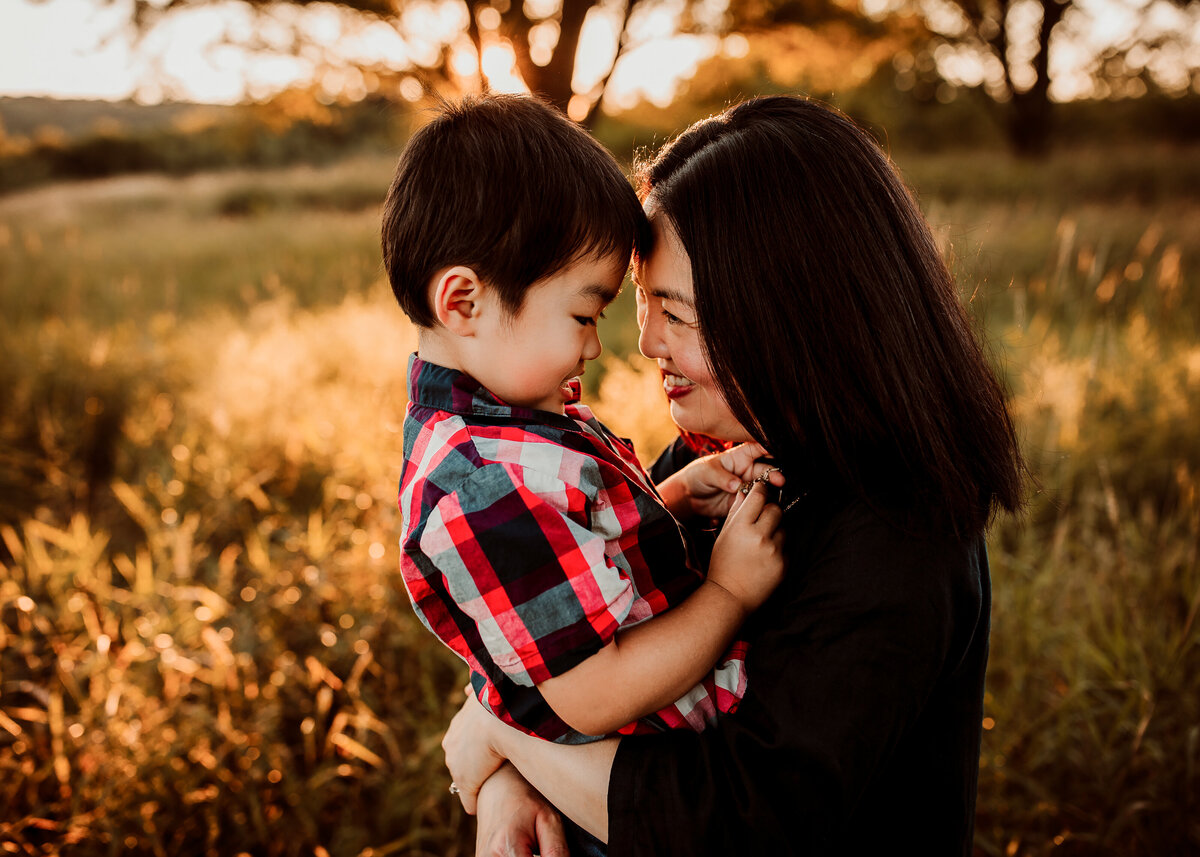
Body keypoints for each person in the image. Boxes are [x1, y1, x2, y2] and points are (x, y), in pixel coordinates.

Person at [440, 94, 1026, 856]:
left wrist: (505, 737)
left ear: (792, 313)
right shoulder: (720, 454)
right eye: (644, 303)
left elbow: (740, 823)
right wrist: (508, 787)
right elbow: (563, 643)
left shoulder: (900, 533)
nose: (646, 341)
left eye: (677, 314)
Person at [382, 93, 787, 823]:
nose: (598, 347)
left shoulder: (511, 423)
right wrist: (728, 592)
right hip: (622, 801)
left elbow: (583, 560)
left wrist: (675, 498)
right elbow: (591, 690)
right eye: (583, 315)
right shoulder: (484, 481)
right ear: (464, 302)